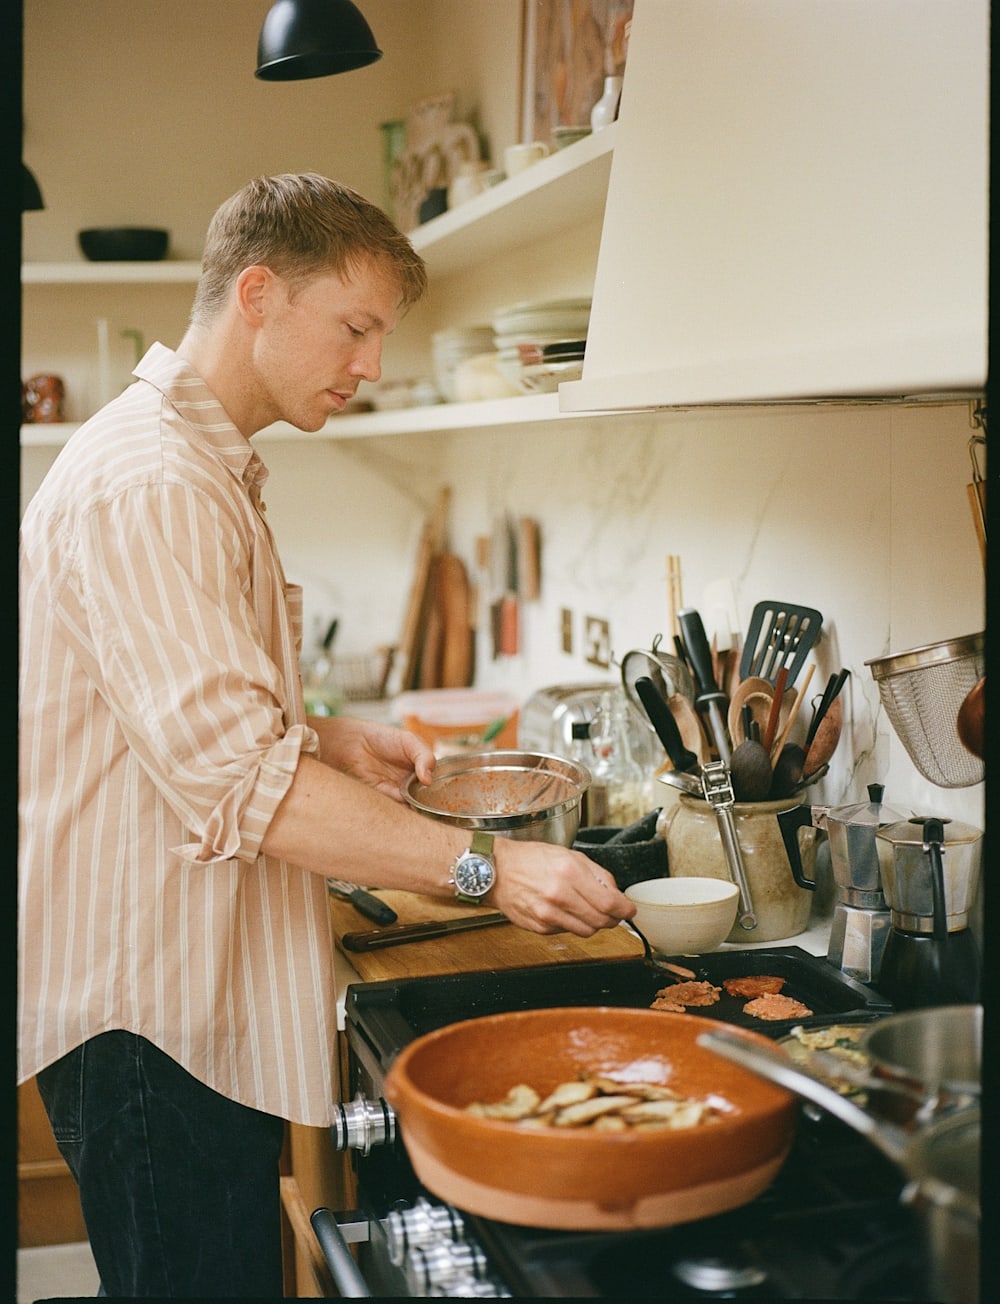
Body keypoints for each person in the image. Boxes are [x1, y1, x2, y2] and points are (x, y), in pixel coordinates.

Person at [18, 172, 635, 1299]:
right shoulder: (154, 478)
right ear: (257, 293)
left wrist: (324, 731)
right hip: (146, 1008)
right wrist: (491, 868)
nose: (369, 366)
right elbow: (241, 779)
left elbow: (185, 711)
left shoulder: (197, 463)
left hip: (176, 993)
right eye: (353, 328)